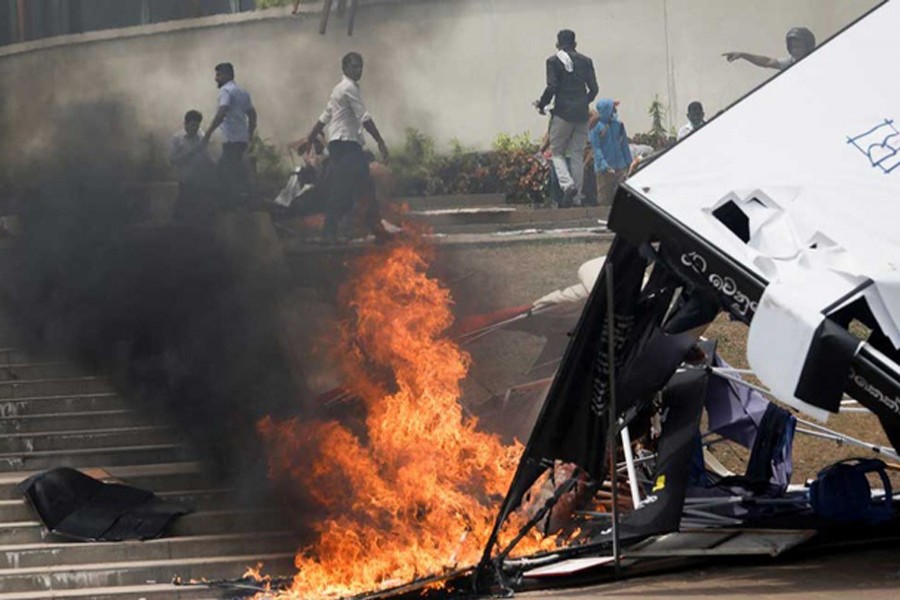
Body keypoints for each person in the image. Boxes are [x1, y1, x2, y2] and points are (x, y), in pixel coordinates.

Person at [301, 51, 390, 243]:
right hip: (345, 145)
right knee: (348, 189)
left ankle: (372, 227)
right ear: (345, 68)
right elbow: (364, 117)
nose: (358, 70)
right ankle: (331, 233)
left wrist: (309, 138)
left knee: (361, 186)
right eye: (354, 66)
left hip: (344, 145)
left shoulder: (338, 89)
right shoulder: (348, 88)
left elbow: (324, 117)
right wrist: (380, 141)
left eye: (360, 66)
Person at [534, 29, 598, 207]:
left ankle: (567, 185)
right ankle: (577, 198)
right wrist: (583, 102)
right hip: (582, 114)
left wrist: (542, 104)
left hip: (562, 113)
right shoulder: (586, 61)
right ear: (575, 44)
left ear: (557, 44)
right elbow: (594, 89)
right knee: (577, 153)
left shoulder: (553, 61)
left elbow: (552, 86)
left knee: (557, 152)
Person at [202, 62, 257, 208]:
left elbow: (222, 111)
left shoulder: (226, 91)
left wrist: (208, 133)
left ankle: (230, 206)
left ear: (226, 75)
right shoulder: (243, 92)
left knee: (222, 173)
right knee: (235, 170)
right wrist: (249, 134)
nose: (216, 79)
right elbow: (252, 115)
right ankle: (243, 202)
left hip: (231, 140)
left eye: (218, 75)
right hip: (241, 140)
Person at [170, 110, 215, 223]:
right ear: (185, 123)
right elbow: (173, 160)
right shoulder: (177, 138)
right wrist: (191, 152)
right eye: (192, 125)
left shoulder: (201, 136)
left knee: (200, 215)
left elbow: (206, 156)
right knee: (181, 215)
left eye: (197, 125)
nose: (195, 128)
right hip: (185, 182)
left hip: (201, 182)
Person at [589, 98, 632, 207]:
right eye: (612, 109)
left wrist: (629, 162)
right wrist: (603, 164)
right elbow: (596, 148)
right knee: (604, 198)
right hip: (604, 169)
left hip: (620, 166)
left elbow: (624, 145)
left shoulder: (619, 126)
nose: (614, 112)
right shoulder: (596, 128)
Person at [722, 27, 816, 71]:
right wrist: (742, 55)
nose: (794, 50)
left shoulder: (818, 60)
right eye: (792, 47)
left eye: (798, 47)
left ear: (807, 46)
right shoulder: (790, 62)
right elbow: (767, 62)